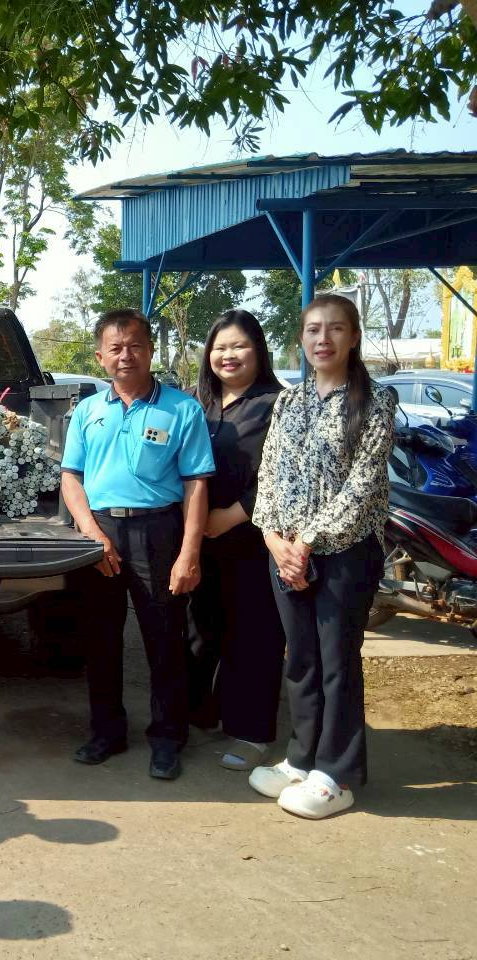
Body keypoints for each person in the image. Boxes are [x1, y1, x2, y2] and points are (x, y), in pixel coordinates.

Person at [248, 293, 395, 819]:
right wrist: (273, 539)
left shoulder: (376, 402)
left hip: (343, 553)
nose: (322, 339)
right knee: (302, 659)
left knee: (338, 663)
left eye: (335, 329)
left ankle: (338, 772)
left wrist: (307, 540)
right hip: (285, 550)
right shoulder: (289, 402)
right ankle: (301, 758)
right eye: (312, 330)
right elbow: (267, 475)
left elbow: (363, 485)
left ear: (353, 337)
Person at [60, 308, 216, 780]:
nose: (125, 355)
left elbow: (196, 484)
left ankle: (168, 738)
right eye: (115, 347)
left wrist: (190, 552)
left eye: (135, 346)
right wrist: (91, 532)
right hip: (99, 532)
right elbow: (71, 477)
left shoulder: (181, 409)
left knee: (164, 640)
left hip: (158, 532)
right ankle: (106, 732)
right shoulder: (88, 411)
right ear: (101, 356)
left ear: (150, 351)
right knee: (100, 637)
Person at [187, 310, 288, 771]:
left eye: (239, 347)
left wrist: (233, 514)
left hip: (252, 538)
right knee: (203, 629)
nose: (228, 355)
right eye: (220, 347)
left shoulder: (279, 405)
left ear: (259, 352)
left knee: (253, 635)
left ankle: (251, 732)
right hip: (196, 540)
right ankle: (202, 711)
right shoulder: (195, 403)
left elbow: (286, 474)